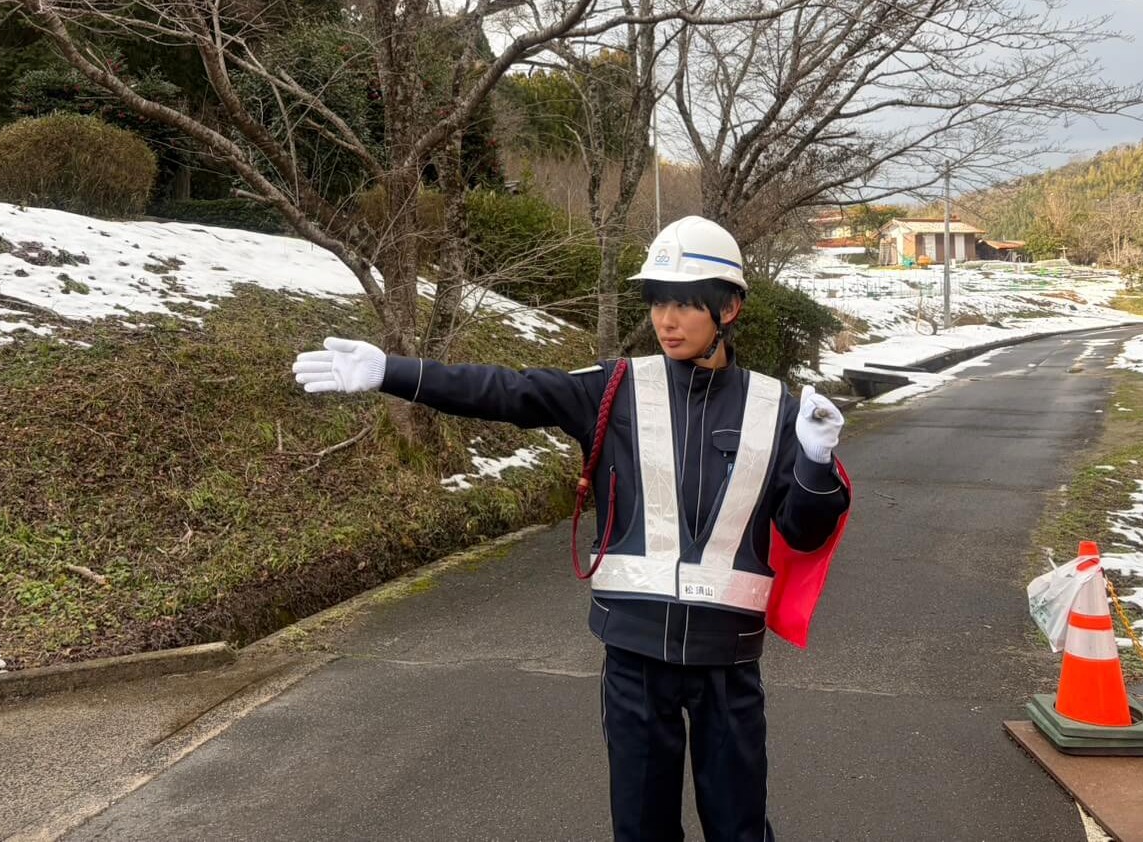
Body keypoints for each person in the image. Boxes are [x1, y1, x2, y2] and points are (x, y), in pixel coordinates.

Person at [291, 216, 851, 842]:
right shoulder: (616, 389)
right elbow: (510, 391)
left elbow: (803, 533)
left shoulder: (777, 409)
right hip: (635, 653)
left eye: (687, 303)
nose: (667, 319)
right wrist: (394, 373)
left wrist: (815, 461)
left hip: (728, 656)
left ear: (730, 308)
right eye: (658, 300)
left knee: (740, 828)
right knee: (641, 828)